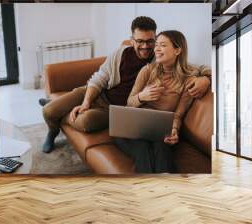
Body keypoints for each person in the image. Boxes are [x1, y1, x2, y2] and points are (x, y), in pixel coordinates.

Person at [42, 17, 210, 153]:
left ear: (156, 38)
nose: (145, 46)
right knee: (48, 111)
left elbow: (198, 68)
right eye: (140, 41)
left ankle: (59, 115)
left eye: (150, 41)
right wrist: (86, 102)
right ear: (132, 40)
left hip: (114, 109)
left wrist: (206, 79)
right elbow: (100, 77)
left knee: (84, 122)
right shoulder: (120, 53)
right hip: (97, 92)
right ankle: (53, 129)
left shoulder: (160, 59)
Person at [115, 30, 211, 173]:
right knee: (142, 149)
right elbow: (129, 103)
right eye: (157, 45)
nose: (157, 49)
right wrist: (142, 96)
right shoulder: (147, 70)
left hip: (160, 131)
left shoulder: (188, 78)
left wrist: (174, 130)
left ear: (177, 50)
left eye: (163, 45)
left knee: (161, 146)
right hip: (133, 128)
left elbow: (179, 114)